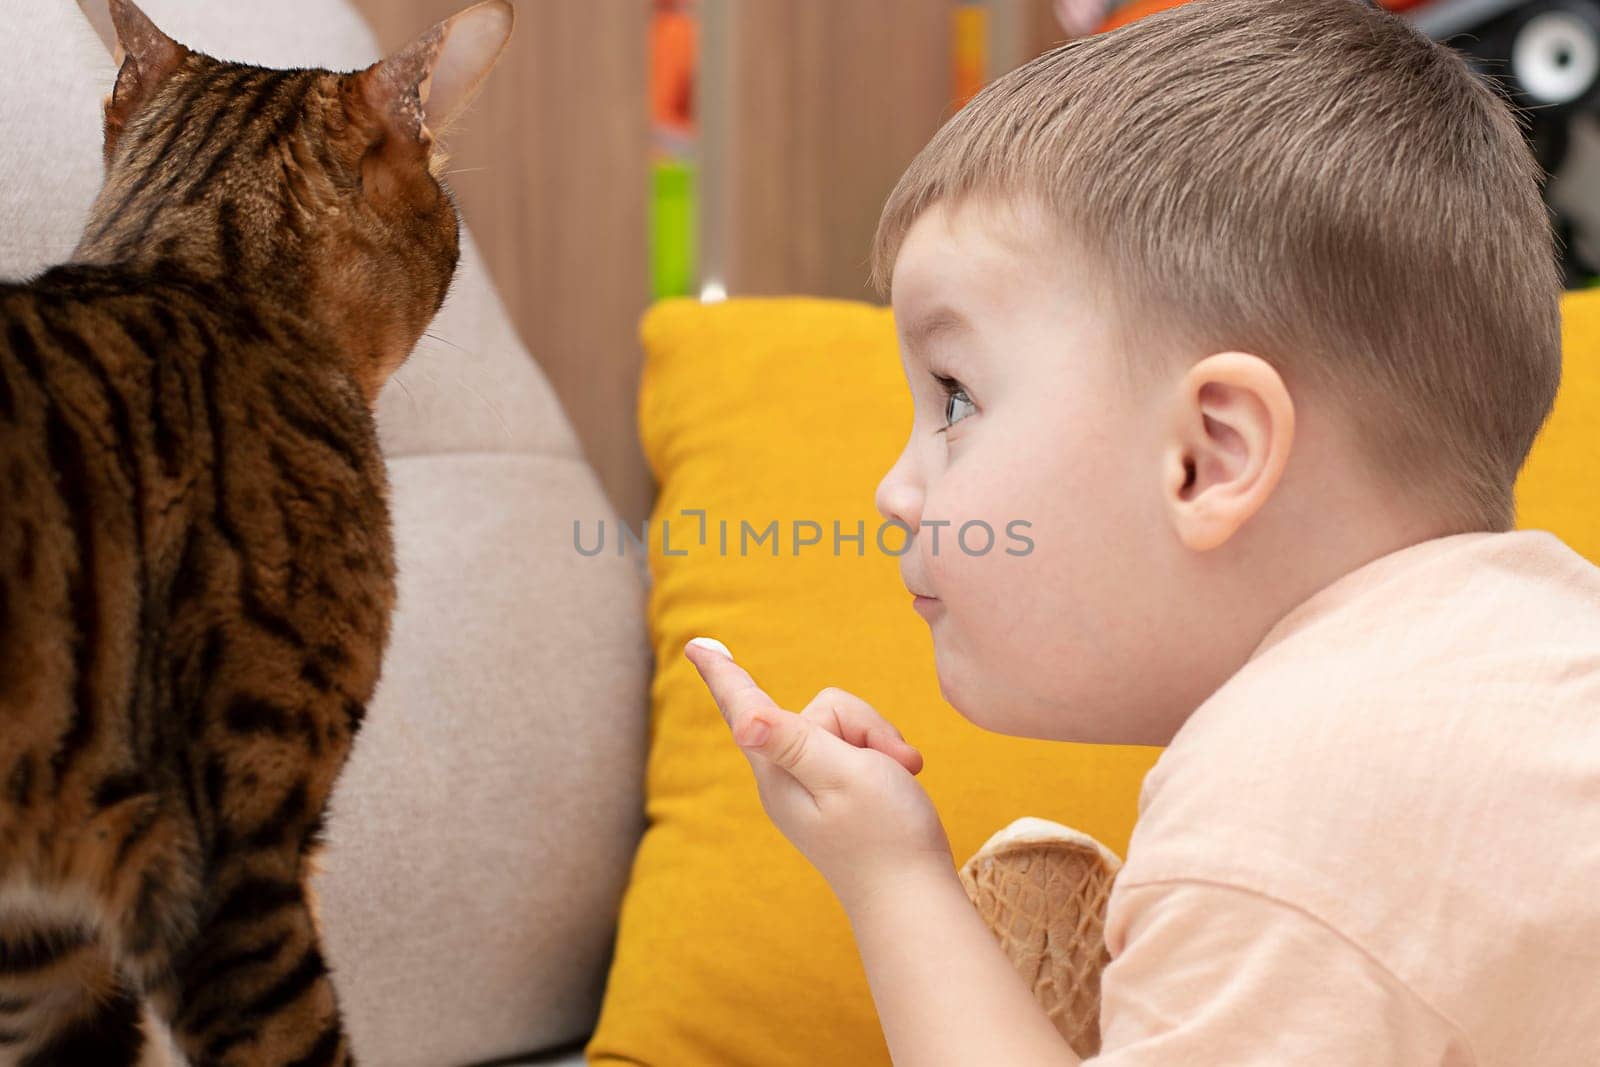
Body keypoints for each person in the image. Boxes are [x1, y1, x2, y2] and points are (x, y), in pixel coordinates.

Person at [685, 0, 1600, 1062]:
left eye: (956, 398)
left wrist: (889, 880)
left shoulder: (1283, 815)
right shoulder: (1534, 656)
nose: (896, 488)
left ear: (1208, 453)